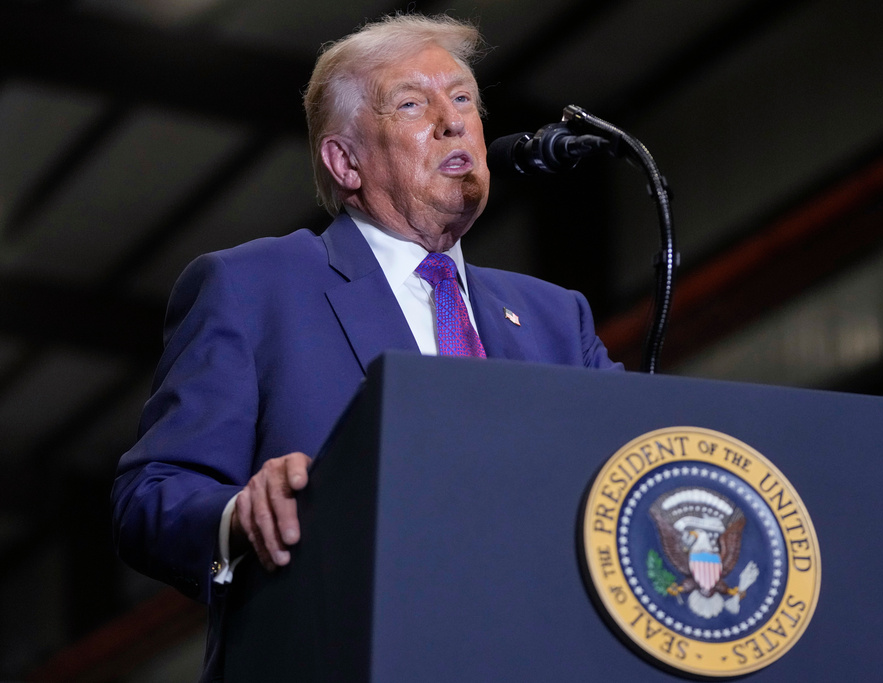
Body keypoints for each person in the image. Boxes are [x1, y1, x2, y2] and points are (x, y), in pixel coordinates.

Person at [111, 13, 620, 681]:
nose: (452, 120)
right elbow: (149, 493)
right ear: (344, 161)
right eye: (412, 103)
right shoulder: (254, 285)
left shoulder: (557, 316)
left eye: (463, 98)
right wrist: (240, 515)